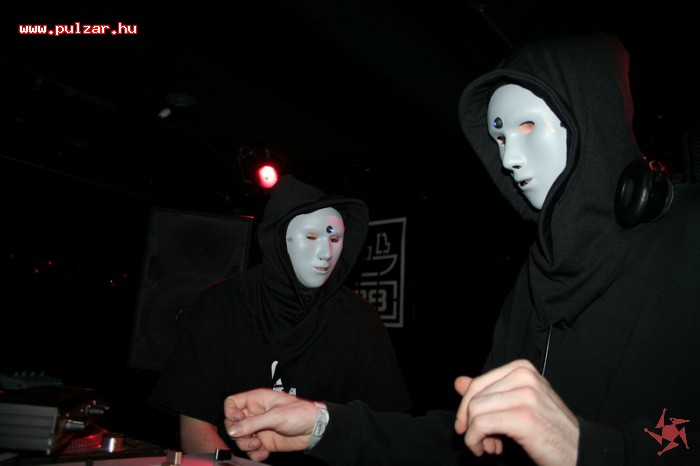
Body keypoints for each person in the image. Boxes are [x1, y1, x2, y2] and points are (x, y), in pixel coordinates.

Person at [222, 33, 700, 465]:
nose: (510, 158)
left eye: (527, 126)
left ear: (592, 117)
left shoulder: (689, 235)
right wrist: (322, 426)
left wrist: (585, 449)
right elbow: (469, 440)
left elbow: (681, 435)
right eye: (500, 136)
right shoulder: (538, 277)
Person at [149, 174, 412, 463]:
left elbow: (381, 427)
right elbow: (195, 422)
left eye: (335, 238)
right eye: (311, 237)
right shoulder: (220, 304)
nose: (325, 252)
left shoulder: (360, 318)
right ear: (279, 238)